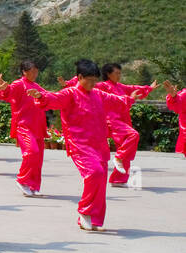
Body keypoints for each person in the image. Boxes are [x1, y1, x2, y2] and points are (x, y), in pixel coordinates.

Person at [29, 60, 134, 231]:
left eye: (95, 80)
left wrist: (132, 98)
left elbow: (117, 100)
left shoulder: (98, 94)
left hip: (99, 145)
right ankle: (85, 212)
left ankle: (96, 219)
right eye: (90, 80)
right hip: (80, 145)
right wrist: (41, 96)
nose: (93, 84)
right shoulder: (69, 93)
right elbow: (53, 98)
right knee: (95, 173)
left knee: (100, 181)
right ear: (79, 77)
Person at [0, 61, 48, 195]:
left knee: (38, 158)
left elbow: (48, 97)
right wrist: (2, 88)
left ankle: (34, 186)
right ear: (24, 71)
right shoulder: (19, 84)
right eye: (33, 71)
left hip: (38, 126)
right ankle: (22, 180)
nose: (35, 74)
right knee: (32, 152)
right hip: (24, 125)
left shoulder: (36, 86)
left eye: (37, 71)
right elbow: (7, 93)